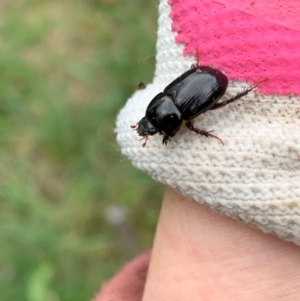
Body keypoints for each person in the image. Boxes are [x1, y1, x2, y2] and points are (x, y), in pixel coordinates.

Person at [95, 0, 300, 300]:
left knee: (218, 106)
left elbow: (175, 125)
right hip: (202, 79)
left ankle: (252, 87)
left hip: (210, 81)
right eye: (152, 127)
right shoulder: (164, 110)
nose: (151, 128)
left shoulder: (175, 118)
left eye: (150, 126)